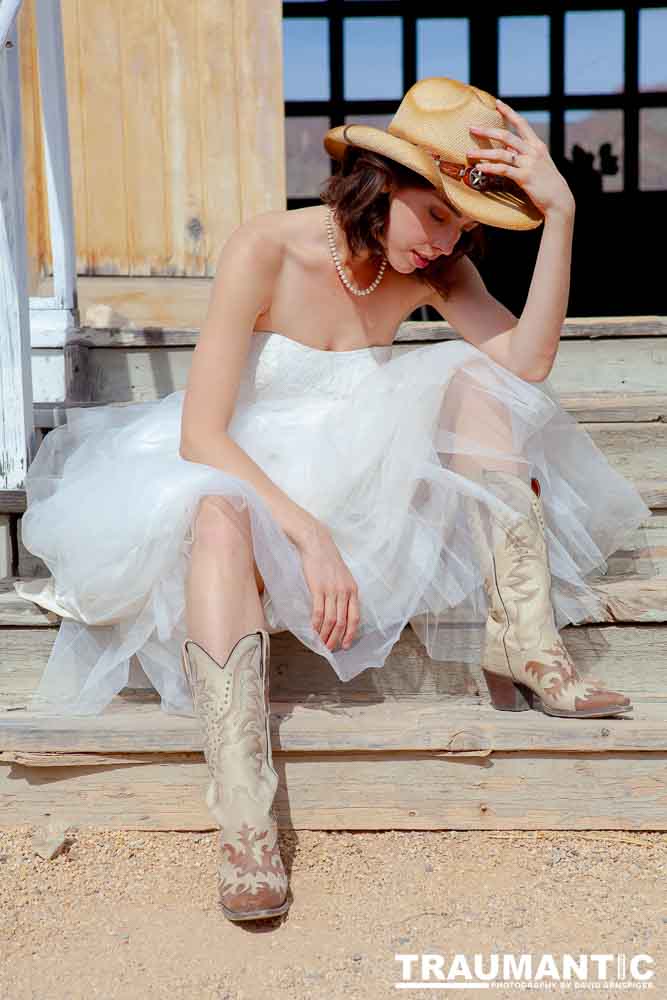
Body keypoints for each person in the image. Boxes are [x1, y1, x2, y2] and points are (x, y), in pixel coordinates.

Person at [14, 78, 652, 921]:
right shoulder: (266, 248)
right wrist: (309, 536)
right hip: (243, 469)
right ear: (379, 185)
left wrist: (562, 211)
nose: (445, 240)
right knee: (214, 514)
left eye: (463, 224)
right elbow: (201, 436)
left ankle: (527, 647)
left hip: (363, 473)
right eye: (436, 213)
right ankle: (244, 825)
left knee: (479, 383)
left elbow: (528, 361)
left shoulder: (436, 268)